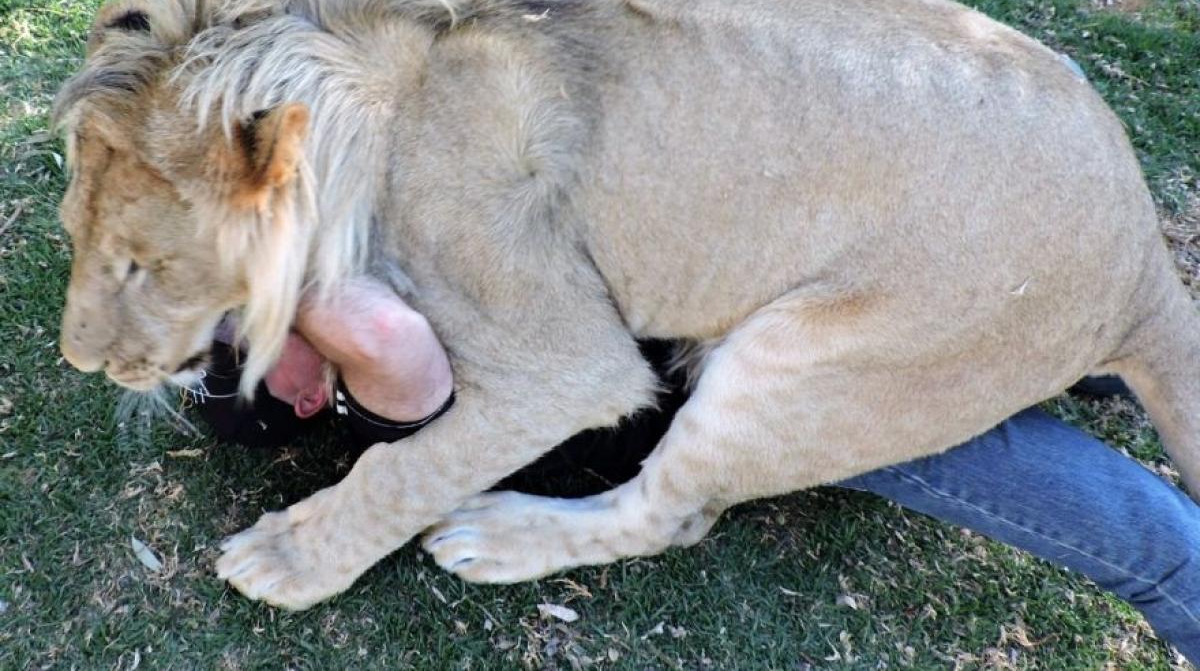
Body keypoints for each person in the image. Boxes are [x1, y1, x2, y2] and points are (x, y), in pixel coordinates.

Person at [194, 277, 1200, 661]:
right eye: (244, 337)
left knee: (1042, 310)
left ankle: (1086, 358)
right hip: (785, 396)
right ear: (300, 398)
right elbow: (380, 329)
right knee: (1151, 546)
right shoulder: (385, 406)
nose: (247, 305)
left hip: (786, 285)